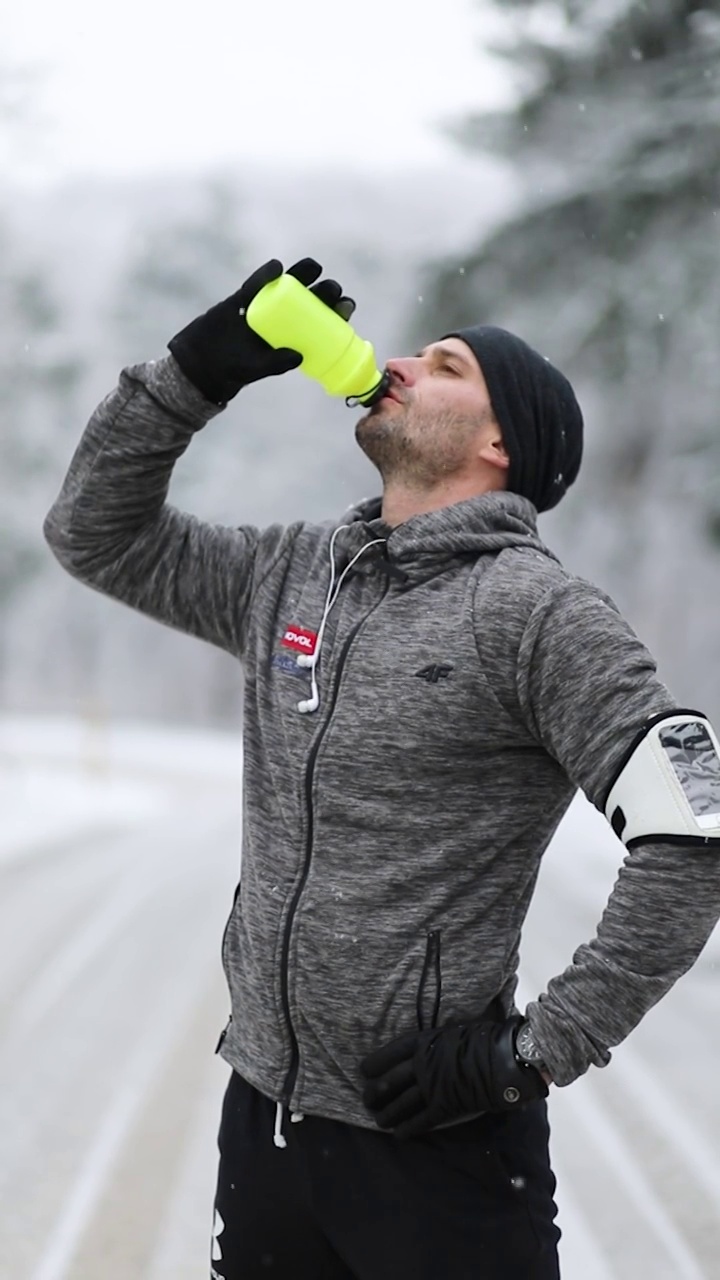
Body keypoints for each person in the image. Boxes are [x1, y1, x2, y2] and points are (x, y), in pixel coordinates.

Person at [44, 257, 720, 1280]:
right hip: (266, 1119)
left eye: (444, 364)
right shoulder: (290, 573)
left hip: (437, 1150)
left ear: (502, 442)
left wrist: (537, 1050)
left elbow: (693, 831)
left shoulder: (540, 616)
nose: (397, 362)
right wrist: (194, 372)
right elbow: (93, 533)